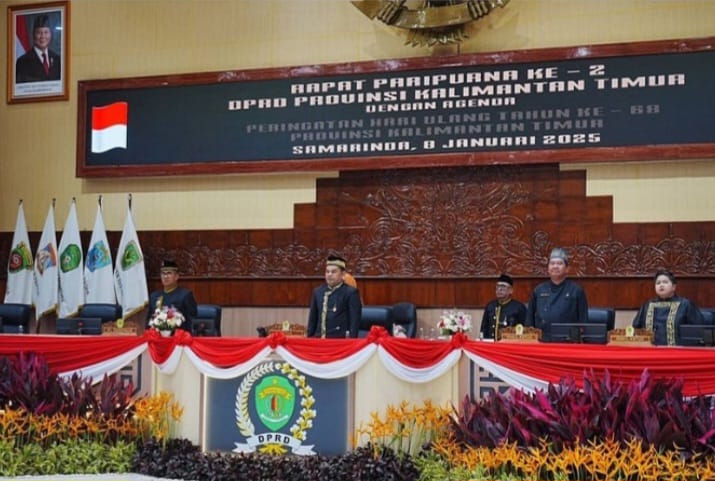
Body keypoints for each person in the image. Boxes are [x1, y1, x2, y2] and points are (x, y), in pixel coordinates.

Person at [525, 247, 588, 342]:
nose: (555, 266)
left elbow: (583, 323)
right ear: (548, 268)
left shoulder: (576, 290)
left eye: (559, 263)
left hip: (567, 343)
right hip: (542, 342)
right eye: (552, 263)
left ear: (567, 269)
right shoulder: (538, 290)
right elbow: (529, 321)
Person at [632, 270, 704, 346]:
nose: (661, 285)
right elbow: (636, 329)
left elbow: (698, 332)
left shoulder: (685, 305)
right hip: (650, 351)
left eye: (665, 282)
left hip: (678, 352)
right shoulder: (648, 305)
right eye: (658, 283)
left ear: (673, 287)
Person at [307, 255, 362, 338]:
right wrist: (309, 338)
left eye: (333, 272)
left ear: (342, 274)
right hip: (319, 340)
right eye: (327, 271)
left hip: (339, 341)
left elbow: (354, 321)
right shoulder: (318, 292)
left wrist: (352, 341)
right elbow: (312, 320)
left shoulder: (350, 293)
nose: (329, 274)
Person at [147, 260, 198, 332]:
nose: (165, 276)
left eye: (169, 273)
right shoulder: (154, 296)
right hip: (157, 338)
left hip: (179, 338)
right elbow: (149, 321)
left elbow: (192, 320)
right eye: (163, 274)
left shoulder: (185, 295)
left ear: (176, 276)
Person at [15, 14, 61, 83]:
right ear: (33, 35)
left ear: (51, 34)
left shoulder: (57, 59)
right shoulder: (22, 62)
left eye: (46, 32)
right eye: (39, 32)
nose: (43, 36)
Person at [480, 274, 526, 340]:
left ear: (511, 290)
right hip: (491, 345)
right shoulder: (490, 306)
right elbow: (484, 328)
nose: (499, 289)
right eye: (497, 286)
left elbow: (525, 330)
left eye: (503, 286)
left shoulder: (519, 307)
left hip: (509, 346)